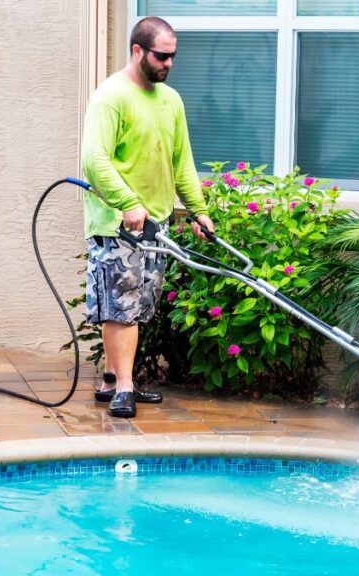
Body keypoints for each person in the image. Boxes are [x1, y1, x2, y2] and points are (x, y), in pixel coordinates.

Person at [81, 16, 214, 418]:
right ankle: (125, 387)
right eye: (162, 55)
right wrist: (126, 202)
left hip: (154, 226)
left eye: (173, 56)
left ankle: (110, 380)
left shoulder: (171, 101)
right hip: (118, 224)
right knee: (120, 306)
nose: (169, 63)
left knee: (137, 306)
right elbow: (94, 160)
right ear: (137, 50)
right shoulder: (111, 97)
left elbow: (182, 162)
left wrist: (199, 211)